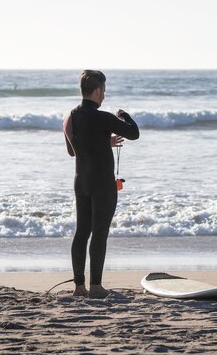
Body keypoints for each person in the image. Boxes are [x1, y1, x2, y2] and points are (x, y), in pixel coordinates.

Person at [63, 70, 139, 298]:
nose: (104, 95)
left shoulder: (71, 117)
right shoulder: (104, 117)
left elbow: (72, 151)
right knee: (99, 233)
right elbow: (134, 133)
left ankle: (79, 287)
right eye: (103, 91)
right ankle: (96, 286)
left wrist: (102, 142)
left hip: (81, 181)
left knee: (82, 232)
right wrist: (124, 115)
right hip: (102, 184)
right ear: (97, 91)